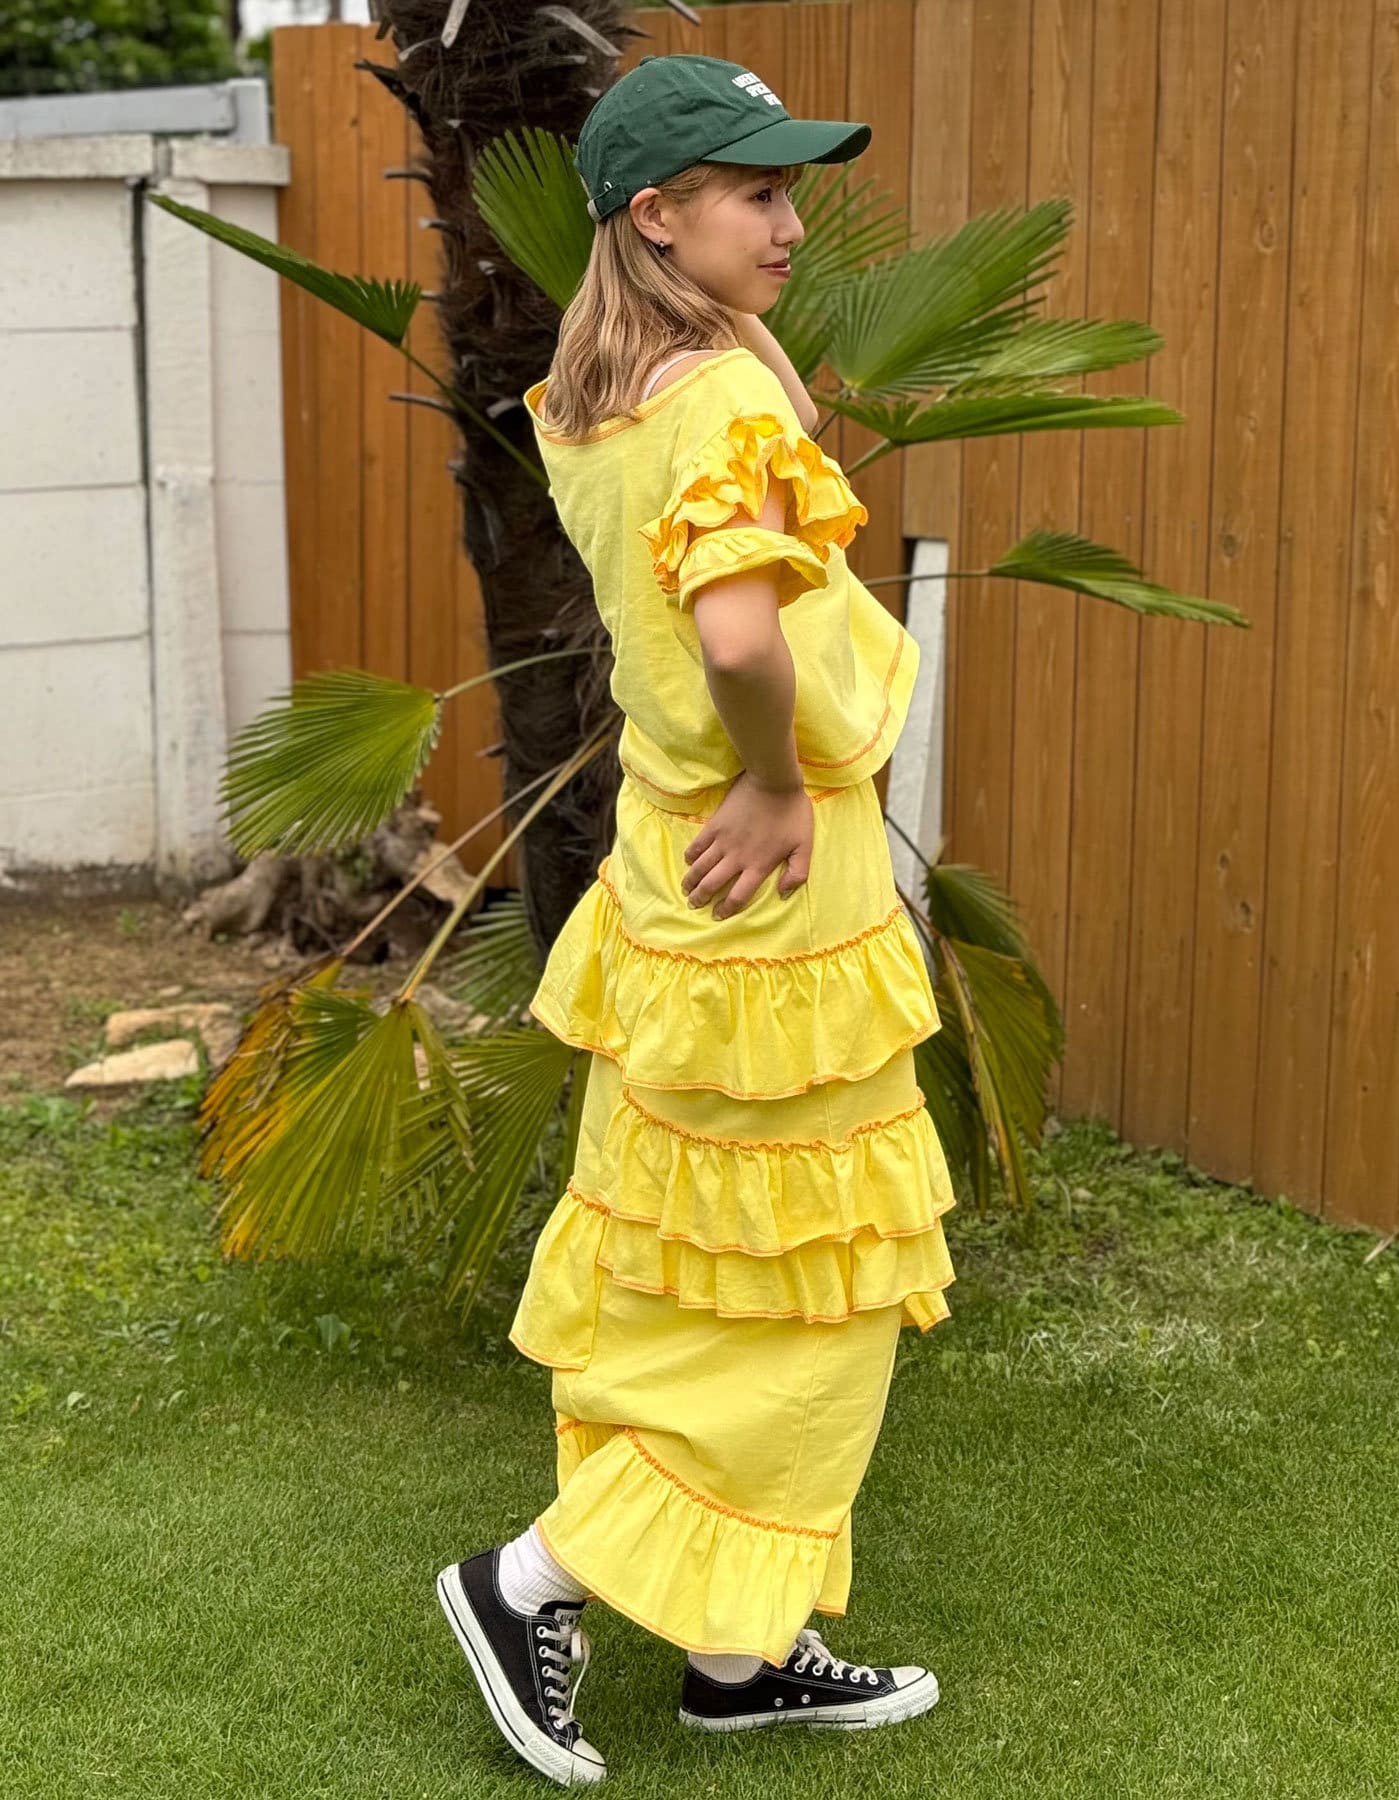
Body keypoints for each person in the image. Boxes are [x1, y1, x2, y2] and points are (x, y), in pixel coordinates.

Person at [434, 52, 957, 1787]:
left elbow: (730, 508)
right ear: (655, 215)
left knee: (694, 1264)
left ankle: (738, 1652)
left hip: (674, 882)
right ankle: (531, 1583)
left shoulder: (602, 395)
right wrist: (778, 781)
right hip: (769, 887)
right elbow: (740, 638)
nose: (791, 224)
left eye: (792, 190)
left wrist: (740, 320)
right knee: (806, 1294)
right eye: (756, 195)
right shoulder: (722, 400)